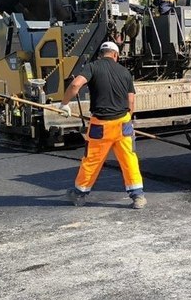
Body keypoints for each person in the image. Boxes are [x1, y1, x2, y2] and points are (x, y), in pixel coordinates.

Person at [57, 41, 146, 209]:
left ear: (101, 54)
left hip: (100, 125)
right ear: (115, 55)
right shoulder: (125, 72)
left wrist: (64, 104)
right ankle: (138, 197)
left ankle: (79, 194)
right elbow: (131, 100)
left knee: (91, 160)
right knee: (129, 159)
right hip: (122, 124)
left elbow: (76, 84)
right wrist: (127, 117)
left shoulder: (92, 67)